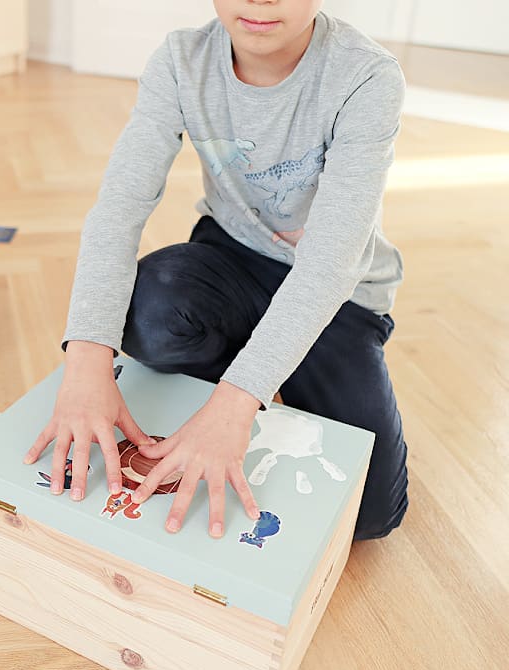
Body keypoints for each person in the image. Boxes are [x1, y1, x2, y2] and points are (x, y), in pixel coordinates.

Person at [25, 0, 408, 542]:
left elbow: (331, 263)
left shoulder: (366, 76)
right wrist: (86, 360)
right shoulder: (183, 59)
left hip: (336, 293)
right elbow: (118, 209)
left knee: (370, 515)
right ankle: (252, 369)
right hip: (231, 256)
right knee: (150, 318)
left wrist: (235, 404)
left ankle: (253, 376)